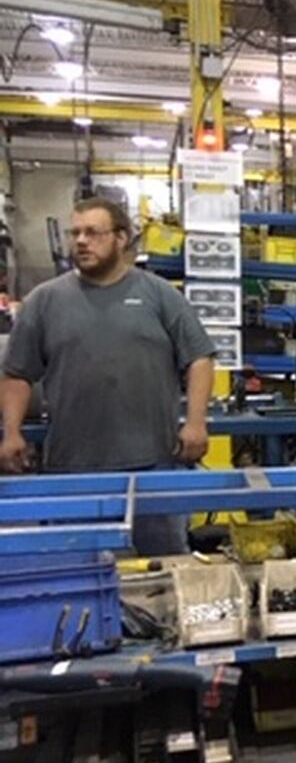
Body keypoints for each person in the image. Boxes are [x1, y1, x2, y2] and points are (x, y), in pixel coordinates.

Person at [0, 196, 216, 556]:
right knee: (75, 575)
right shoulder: (45, 301)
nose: (81, 241)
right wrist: (12, 433)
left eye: (93, 233)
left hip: (153, 465)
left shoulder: (158, 295)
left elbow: (200, 357)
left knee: (163, 573)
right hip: (71, 471)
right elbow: (17, 373)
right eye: (76, 233)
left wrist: (196, 422)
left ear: (121, 238)